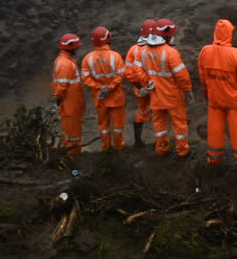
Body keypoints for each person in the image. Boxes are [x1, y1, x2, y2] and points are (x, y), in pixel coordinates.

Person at [198, 19, 237, 168]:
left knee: (215, 129)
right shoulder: (236, 54)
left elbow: (203, 77)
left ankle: (214, 158)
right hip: (234, 101)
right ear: (229, 33)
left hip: (214, 99)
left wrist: (206, 95)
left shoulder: (205, 51)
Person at [134, 18, 193, 157]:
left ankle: (161, 149)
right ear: (167, 35)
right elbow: (182, 75)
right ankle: (182, 151)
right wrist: (187, 88)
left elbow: (137, 70)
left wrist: (148, 82)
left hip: (155, 96)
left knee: (159, 124)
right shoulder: (171, 53)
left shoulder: (143, 52)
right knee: (179, 125)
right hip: (173, 96)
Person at [80, 26, 127, 151]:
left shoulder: (87, 59)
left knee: (103, 126)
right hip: (116, 98)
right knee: (117, 126)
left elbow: (85, 79)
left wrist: (100, 87)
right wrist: (110, 87)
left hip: (100, 99)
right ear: (107, 39)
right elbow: (121, 74)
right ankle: (118, 147)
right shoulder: (115, 57)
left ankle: (106, 148)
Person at [52, 33, 86, 155]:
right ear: (70, 47)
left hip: (70, 105)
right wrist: (58, 101)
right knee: (73, 135)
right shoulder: (66, 64)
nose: (77, 49)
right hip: (70, 106)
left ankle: (71, 154)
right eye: (76, 47)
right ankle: (73, 156)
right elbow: (61, 88)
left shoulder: (63, 61)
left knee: (71, 133)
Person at [125, 19, 155, 147]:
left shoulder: (133, 49)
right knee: (158, 113)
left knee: (142, 111)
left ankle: (138, 141)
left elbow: (129, 71)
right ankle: (159, 142)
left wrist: (139, 86)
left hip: (140, 88)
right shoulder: (155, 48)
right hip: (155, 88)